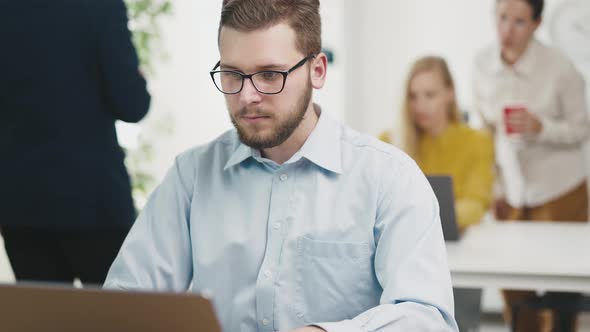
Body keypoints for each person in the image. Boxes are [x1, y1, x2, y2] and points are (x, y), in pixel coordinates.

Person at [104, 0, 458, 331]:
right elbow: (124, 301)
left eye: (270, 75)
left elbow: (427, 317)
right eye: (232, 74)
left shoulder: (389, 178)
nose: (247, 96)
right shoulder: (192, 176)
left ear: (317, 71)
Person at [0, 0, 150, 285]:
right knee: (117, 318)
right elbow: (131, 104)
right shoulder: (100, 7)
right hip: (94, 201)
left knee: (44, 322)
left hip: (20, 203)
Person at [473, 0, 590, 330]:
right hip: (511, 192)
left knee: (560, 293)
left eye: (520, 22)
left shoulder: (560, 66)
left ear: (537, 24)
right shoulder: (482, 64)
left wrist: (543, 128)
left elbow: (582, 129)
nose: (507, 31)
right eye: (502, 18)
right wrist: (493, 187)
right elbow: (485, 132)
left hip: (561, 191)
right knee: (515, 291)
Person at [380, 56, 494, 332]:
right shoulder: (388, 141)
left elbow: (476, 204)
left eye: (430, 95)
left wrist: (420, 212)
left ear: (449, 93)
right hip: (402, 255)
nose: (420, 106)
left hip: (457, 255)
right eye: (413, 96)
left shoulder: (476, 142)